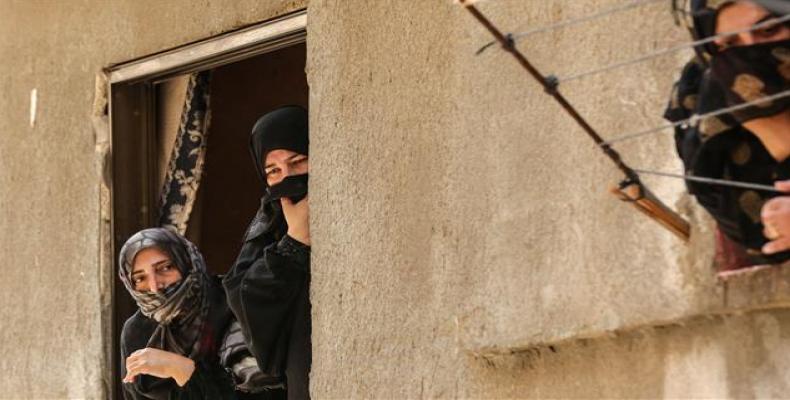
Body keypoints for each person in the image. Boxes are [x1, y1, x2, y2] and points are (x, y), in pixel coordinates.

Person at [667, 0, 790, 268]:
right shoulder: (707, 121)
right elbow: (759, 237)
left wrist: (780, 138)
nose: (751, 51)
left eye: (769, 30)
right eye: (730, 45)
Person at [118, 227, 285, 400]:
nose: (154, 286)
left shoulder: (235, 306)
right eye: (140, 278)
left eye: (165, 268)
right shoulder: (137, 331)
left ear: (187, 263)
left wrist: (182, 370)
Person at [223, 105, 312, 400]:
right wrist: (294, 243)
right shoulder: (268, 225)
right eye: (273, 171)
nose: (287, 177)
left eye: (298, 161)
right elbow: (245, 299)